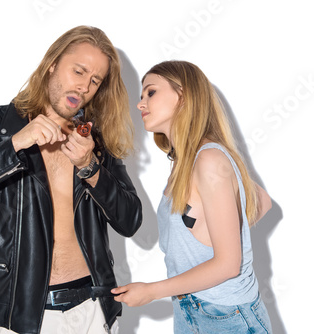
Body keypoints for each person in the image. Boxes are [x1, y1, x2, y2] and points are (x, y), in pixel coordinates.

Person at [0, 25, 142, 334]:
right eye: (78, 71)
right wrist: (14, 145)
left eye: (95, 80)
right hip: (23, 313)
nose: (84, 87)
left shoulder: (93, 141)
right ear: (52, 64)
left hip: (92, 309)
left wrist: (90, 166)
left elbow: (131, 220)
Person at [112, 60, 273, 333]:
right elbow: (261, 201)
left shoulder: (209, 159)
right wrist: (215, 230)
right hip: (191, 308)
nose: (141, 103)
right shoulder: (184, 160)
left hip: (227, 316)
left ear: (184, 96)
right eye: (142, 96)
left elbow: (229, 264)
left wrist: (151, 291)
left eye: (151, 92)